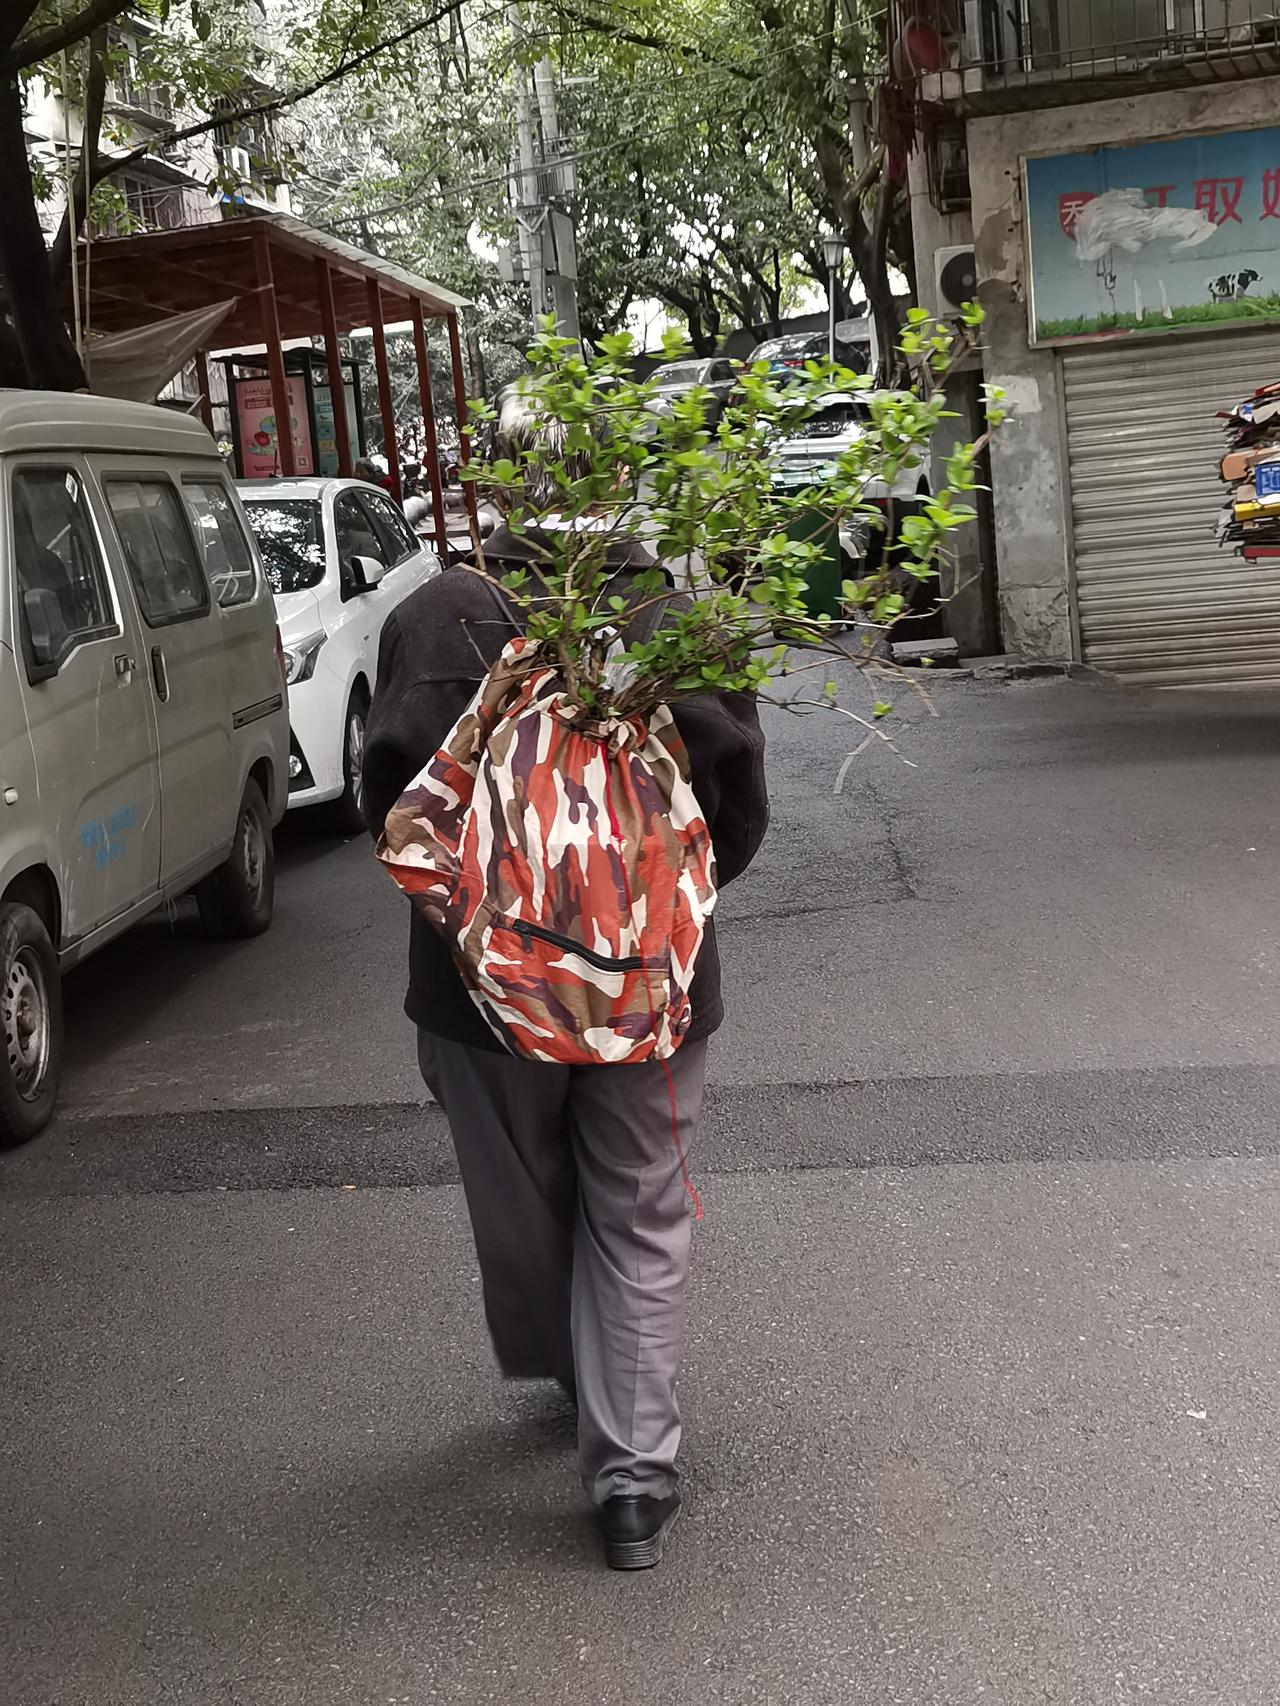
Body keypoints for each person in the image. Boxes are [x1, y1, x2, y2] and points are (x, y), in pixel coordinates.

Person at [362, 391, 768, 1571]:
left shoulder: (440, 613)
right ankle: (632, 1479)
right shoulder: (667, 615)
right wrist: (640, 913)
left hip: (479, 996)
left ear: (494, 485)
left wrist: (497, 925)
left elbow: (392, 796)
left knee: (519, 1194)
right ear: (622, 483)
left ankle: (562, 1364)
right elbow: (732, 802)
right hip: (650, 993)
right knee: (639, 1203)